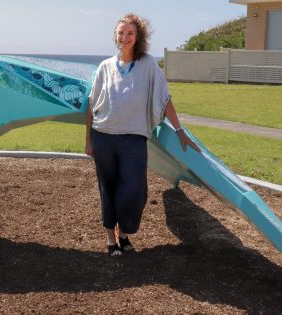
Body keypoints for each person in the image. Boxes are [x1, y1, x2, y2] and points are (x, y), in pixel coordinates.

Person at [86, 13, 200, 257]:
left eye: (130, 33)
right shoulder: (105, 67)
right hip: (104, 136)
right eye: (120, 33)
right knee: (108, 187)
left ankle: (124, 234)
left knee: (134, 189)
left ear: (138, 37)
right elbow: (91, 104)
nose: (124, 37)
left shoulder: (148, 64)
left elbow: (164, 98)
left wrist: (179, 129)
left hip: (134, 139)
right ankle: (111, 239)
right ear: (115, 36)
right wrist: (88, 141)